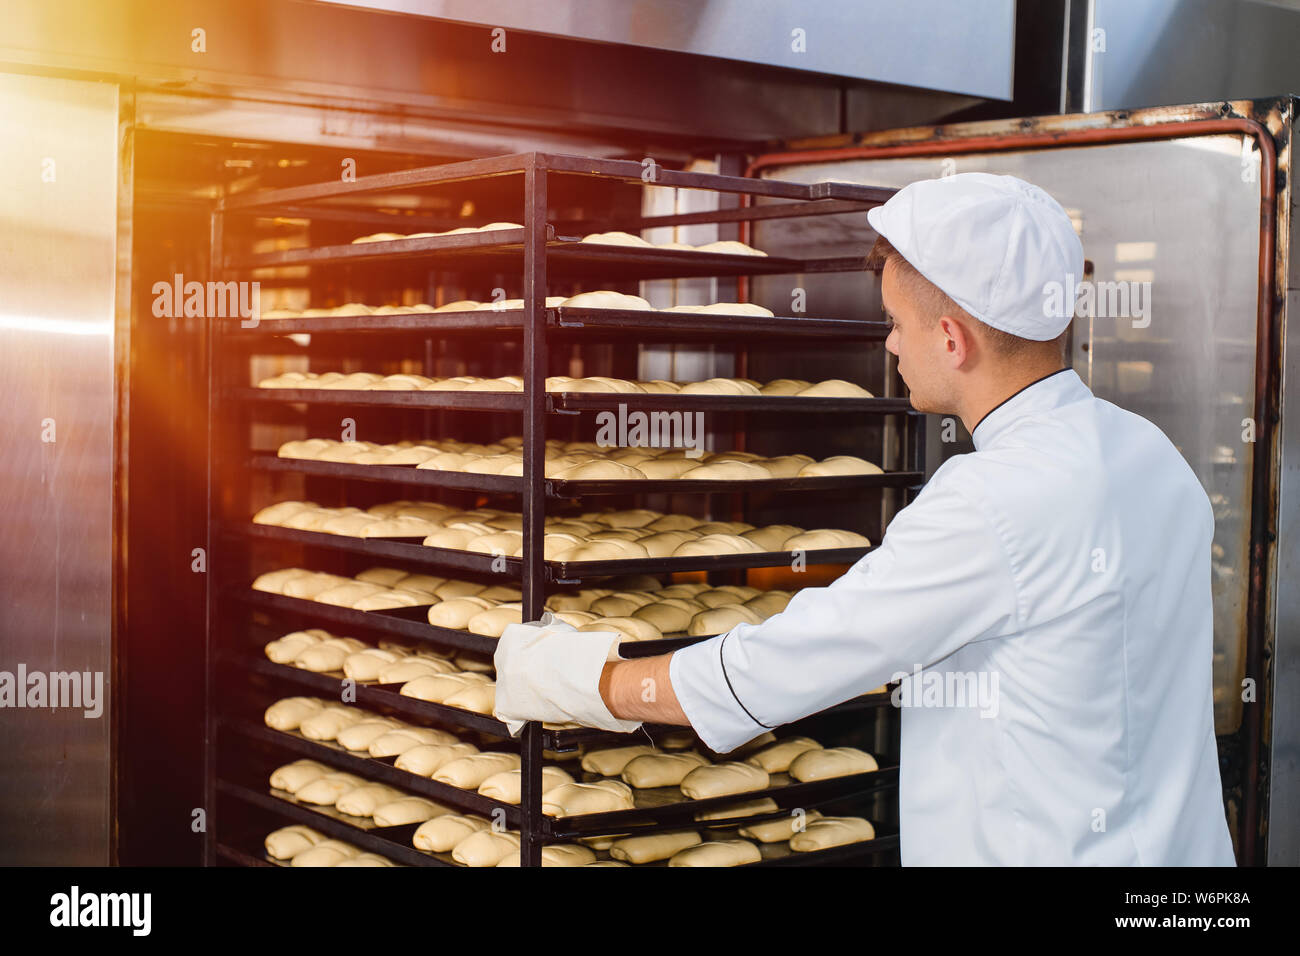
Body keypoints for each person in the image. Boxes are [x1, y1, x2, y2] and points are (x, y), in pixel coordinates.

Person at [494, 172, 1236, 865]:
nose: (888, 344)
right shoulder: (1149, 453)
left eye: (896, 324)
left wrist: (583, 681)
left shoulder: (992, 500)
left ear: (952, 339)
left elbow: (779, 671)